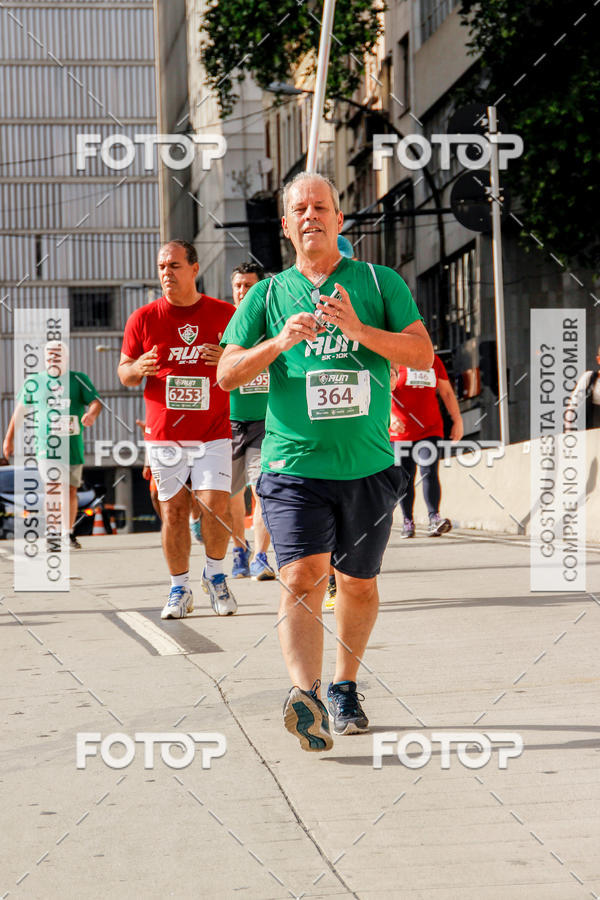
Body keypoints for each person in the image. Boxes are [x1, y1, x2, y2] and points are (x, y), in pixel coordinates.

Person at [218, 172, 433, 752]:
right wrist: (279, 342)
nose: (310, 215)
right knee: (300, 575)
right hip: (292, 466)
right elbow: (227, 372)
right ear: (285, 226)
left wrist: (360, 331)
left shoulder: (377, 281)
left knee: (358, 585)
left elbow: (420, 352)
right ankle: (304, 695)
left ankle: (344, 685)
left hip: (366, 466)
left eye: (322, 207)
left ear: (340, 220)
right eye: (299, 209)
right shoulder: (266, 296)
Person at [119, 240, 237, 619]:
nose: (166, 273)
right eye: (161, 267)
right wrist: (139, 367)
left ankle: (216, 577)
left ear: (194, 268)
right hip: (165, 435)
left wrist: (229, 358)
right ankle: (179, 589)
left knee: (214, 505)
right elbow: (124, 373)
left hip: (213, 430)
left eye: (174, 265)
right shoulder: (143, 318)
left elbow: (250, 361)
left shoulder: (225, 313)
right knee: (173, 512)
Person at [3, 341, 102, 549]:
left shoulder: (78, 379)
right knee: (54, 487)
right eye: (49, 357)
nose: (53, 360)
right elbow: (19, 412)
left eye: (57, 357)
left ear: (65, 358)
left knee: (71, 490)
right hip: (46, 446)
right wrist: (9, 438)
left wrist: (91, 414)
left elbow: (95, 402)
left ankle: (68, 532)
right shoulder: (35, 382)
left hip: (73, 445)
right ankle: (54, 533)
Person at [229, 262, 276, 581]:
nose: (244, 291)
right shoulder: (223, 321)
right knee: (231, 495)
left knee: (262, 489)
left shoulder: (272, 322)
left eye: (249, 285)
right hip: (228, 422)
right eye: (238, 286)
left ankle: (260, 555)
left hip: (265, 420)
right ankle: (238, 551)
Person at [390, 354, 464, 537]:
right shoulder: (394, 359)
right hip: (400, 433)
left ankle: (434, 518)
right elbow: (382, 390)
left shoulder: (433, 361)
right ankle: (408, 521)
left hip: (429, 430)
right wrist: (390, 418)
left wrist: (457, 420)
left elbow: (446, 392)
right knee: (405, 478)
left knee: (428, 470)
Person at [565, 345, 600, 430]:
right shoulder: (589, 378)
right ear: (599, 360)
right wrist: (570, 435)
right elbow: (572, 408)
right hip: (591, 435)